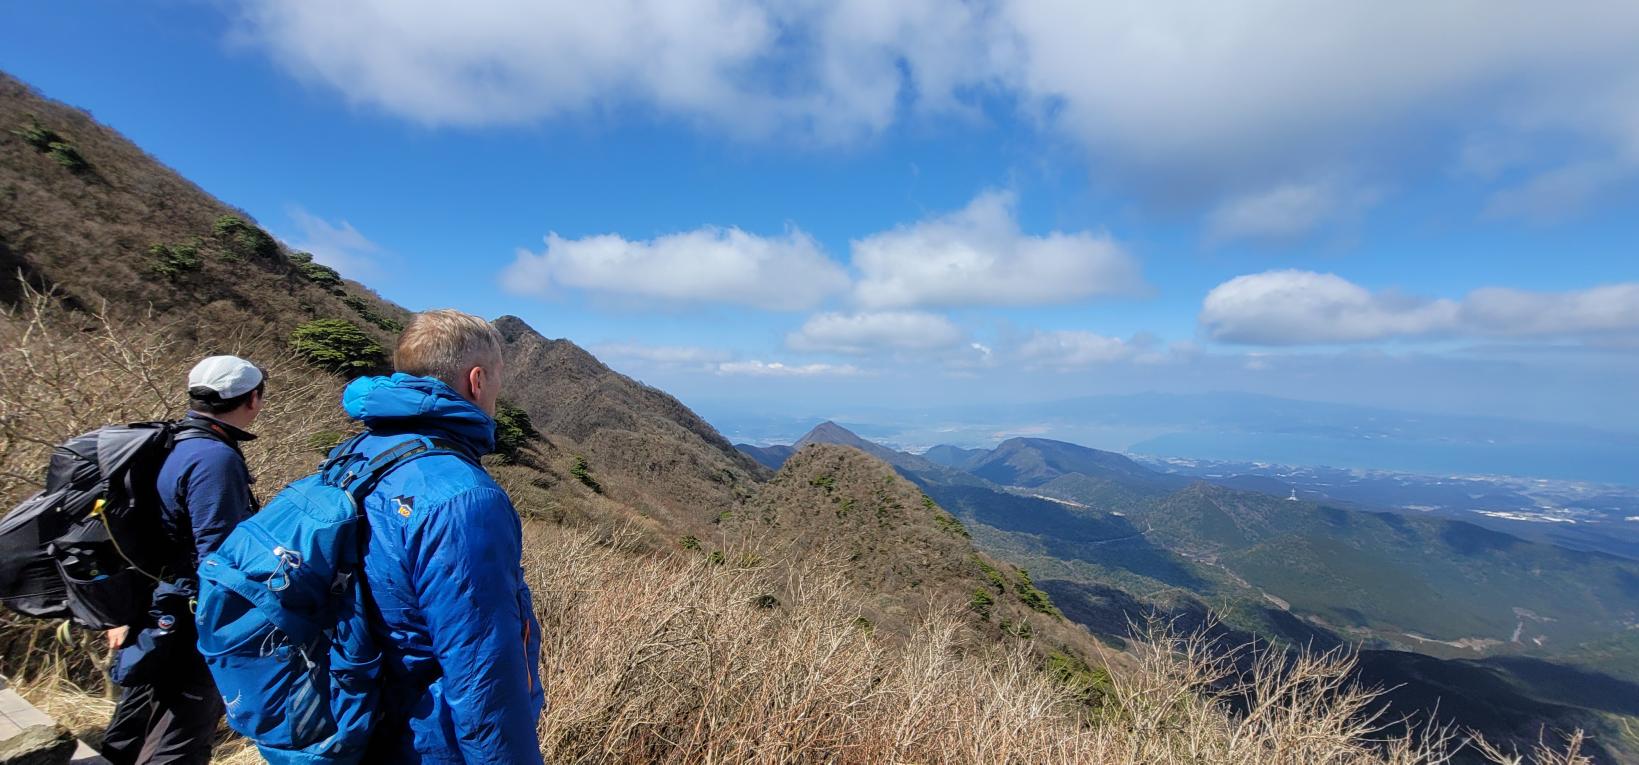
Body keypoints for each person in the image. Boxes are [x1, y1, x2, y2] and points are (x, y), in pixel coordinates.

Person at [342, 309, 544, 763]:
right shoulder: (462, 498)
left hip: (364, 716)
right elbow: (482, 673)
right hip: (425, 738)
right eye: (496, 379)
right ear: (476, 381)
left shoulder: (362, 453)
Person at [102, 355, 266, 765]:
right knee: (182, 733)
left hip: (150, 602)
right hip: (188, 611)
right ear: (253, 399)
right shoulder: (215, 458)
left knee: (135, 723)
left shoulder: (166, 441)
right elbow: (219, 551)